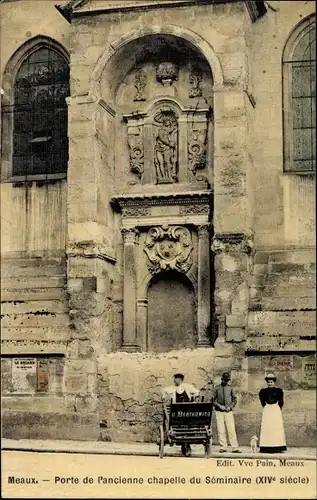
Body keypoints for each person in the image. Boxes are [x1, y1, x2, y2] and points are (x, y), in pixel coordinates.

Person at [161, 373, 200, 456]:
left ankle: (187, 444)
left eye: (176, 379)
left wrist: (195, 398)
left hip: (186, 410)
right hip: (177, 410)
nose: (175, 380)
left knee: (187, 426)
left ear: (181, 379)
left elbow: (197, 392)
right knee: (178, 426)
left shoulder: (187, 386)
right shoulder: (172, 388)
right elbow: (164, 390)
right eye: (175, 379)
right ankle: (182, 443)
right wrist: (164, 396)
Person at [259, 373, 287, 453]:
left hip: (275, 409)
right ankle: (266, 447)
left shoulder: (279, 391)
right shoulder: (263, 391)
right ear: (267, 382)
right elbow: (262, 401)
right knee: (267, 427)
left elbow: (281, 401)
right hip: (267, 409)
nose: (270, 383)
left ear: (274, 382)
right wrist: (267, 407)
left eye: (271, 382)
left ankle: (278, 446)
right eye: (268, 382)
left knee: (276, 427)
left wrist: (277, 408)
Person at [213, 372, 241, 453]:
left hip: (228, 412)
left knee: (231, 429)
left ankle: (235, 447)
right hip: (219, 412)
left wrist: (230, 407)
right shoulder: (217, 388)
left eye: (227, 380)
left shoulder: (230, 388)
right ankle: (223, 447)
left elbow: (234, 399)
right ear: (222, 379)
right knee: (221, 429)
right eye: (224, 380)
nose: (226, 382)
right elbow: (213, 400)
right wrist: (219, 406)